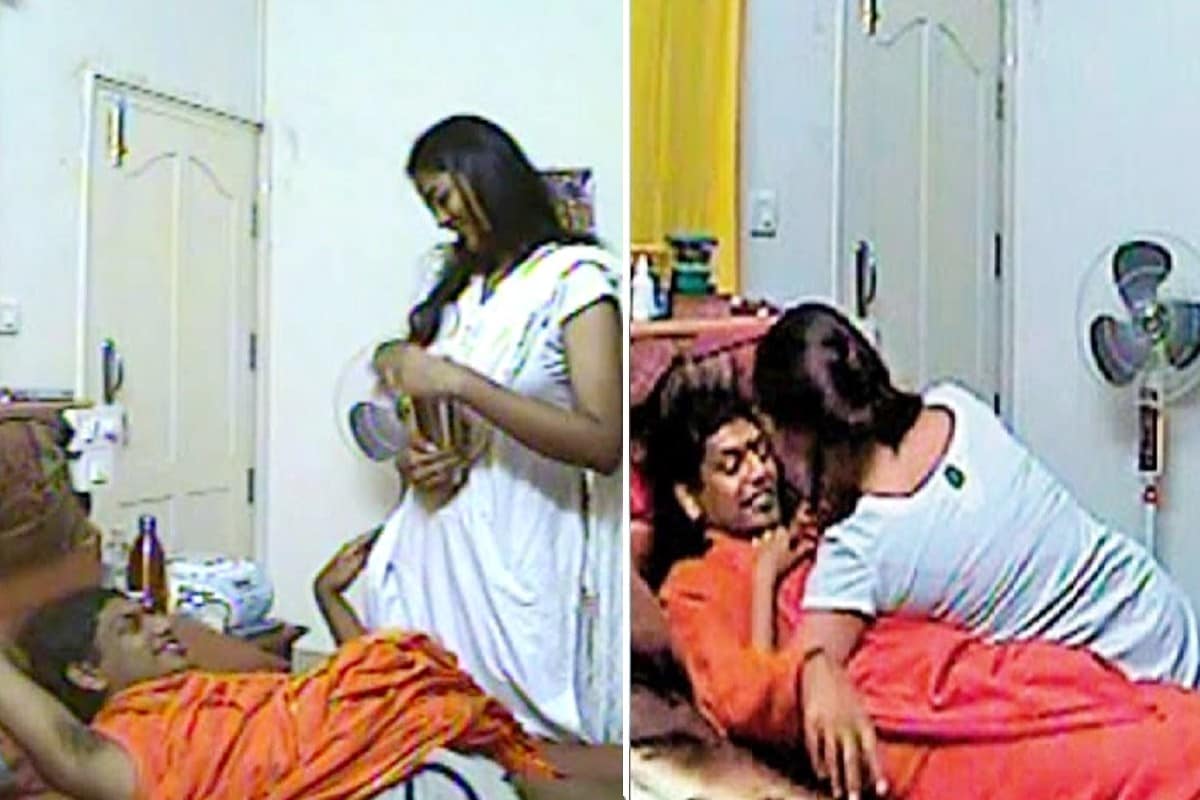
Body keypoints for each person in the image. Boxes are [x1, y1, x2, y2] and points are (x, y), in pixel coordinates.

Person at [751, 302, 1200, 795]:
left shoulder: (858, 552)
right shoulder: (958, 407)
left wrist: (765, 574)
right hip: (1160, 608)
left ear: (799, 438)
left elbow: (777, 688)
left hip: (1135, 676)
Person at [364, 114, 622, 744]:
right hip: (440, 542)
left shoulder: (576, 282)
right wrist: (417, 453)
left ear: (485, 178)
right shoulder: (458, 286)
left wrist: (460, 383)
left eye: (443, 198)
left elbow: (603, 443)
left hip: (526, 547)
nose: (440, 219)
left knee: (526, 747)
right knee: (436, 733)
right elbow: (415, 388)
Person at [0, 587, 552, 800]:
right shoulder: (126, 743)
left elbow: (333, 709)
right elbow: (69, 749)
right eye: (131, 627)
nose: (164, 625)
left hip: (431, 746)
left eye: (151, 613)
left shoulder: (216, 691)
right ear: (88, 674)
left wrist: (330, 597)